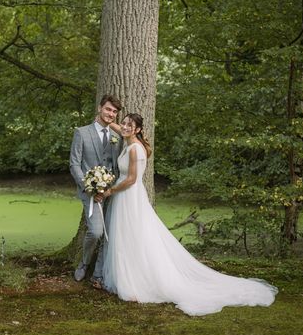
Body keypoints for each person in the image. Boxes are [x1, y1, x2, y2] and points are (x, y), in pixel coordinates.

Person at [100, 113, 278, 316]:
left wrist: (110, 191)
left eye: (129, 125)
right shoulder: (128, 140)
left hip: (129, 197)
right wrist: (107, 121)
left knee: (133, 238)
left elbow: (131, 179)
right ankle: (128, 278)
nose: (124, 127)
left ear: (138, 130)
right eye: (123, 123)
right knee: (125, 237)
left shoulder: (135, 149)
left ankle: (137, 283)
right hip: (126, 199)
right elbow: (119, 129)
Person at [69, 95, 123, 287]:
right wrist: (90, 186)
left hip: (112, 193)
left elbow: (117, 168)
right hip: (90, 192)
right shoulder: (81, 133)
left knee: (112, 232)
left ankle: (99, 274)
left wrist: (109, 188)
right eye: (108, 109)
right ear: (100, 108)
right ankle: (84, 263)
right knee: (96, 231)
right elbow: (74, 164)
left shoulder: (116, 138)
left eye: (115, 112)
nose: (111, 114)